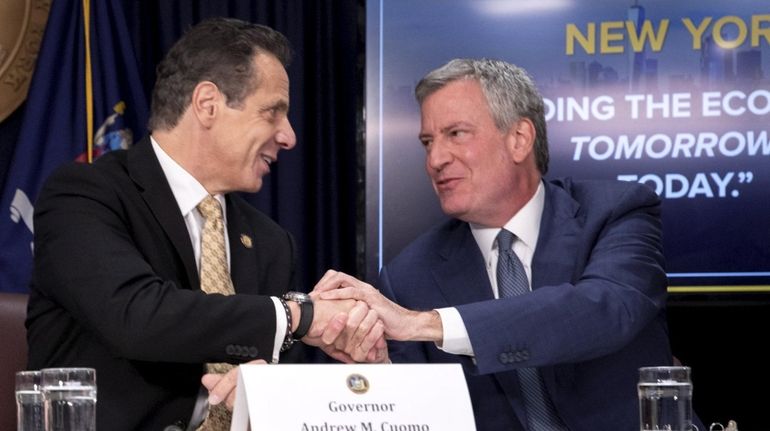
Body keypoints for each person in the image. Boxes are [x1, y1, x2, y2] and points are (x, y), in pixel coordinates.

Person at [26, 17, 383, 431]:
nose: (289, 137)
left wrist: (272, 386)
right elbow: (136, 317)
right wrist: (297, 317)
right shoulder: (83, 194)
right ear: (208, 104)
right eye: (273, 113)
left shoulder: (270, 242)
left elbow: (278, 379)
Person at [318, 58, 688, 431]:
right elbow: (413, 411)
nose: (435, 159)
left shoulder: (615, 213)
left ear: (519, 139)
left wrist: (424, 324)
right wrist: (378, 366)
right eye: (428, 142)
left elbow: (604, 309)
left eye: (456, 134)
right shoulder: (409, 276)